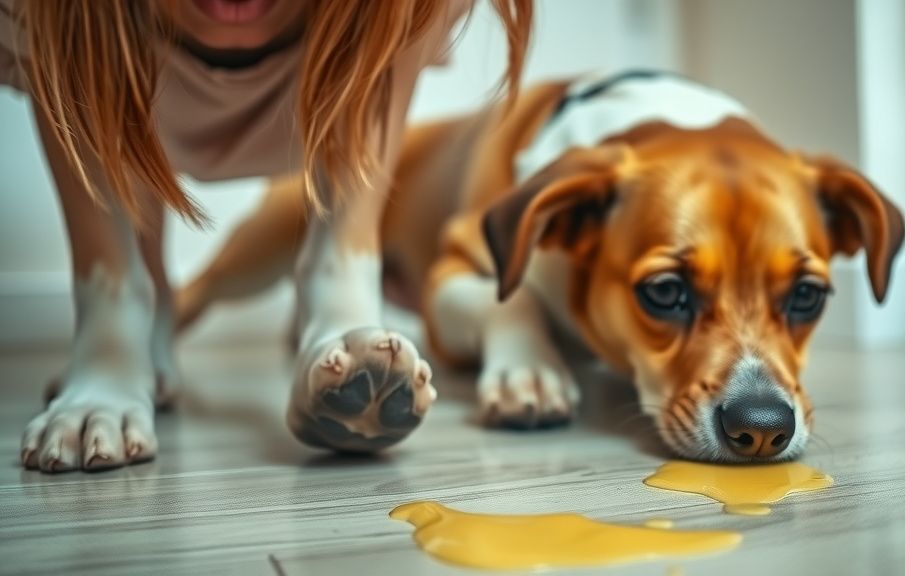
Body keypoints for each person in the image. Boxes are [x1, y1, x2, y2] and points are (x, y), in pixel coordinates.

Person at [0, 0, 532, 472]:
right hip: (108, 39)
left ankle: (339, 300)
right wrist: (109, 338)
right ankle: (133, 321)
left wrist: (342, 298)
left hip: (345, 35)